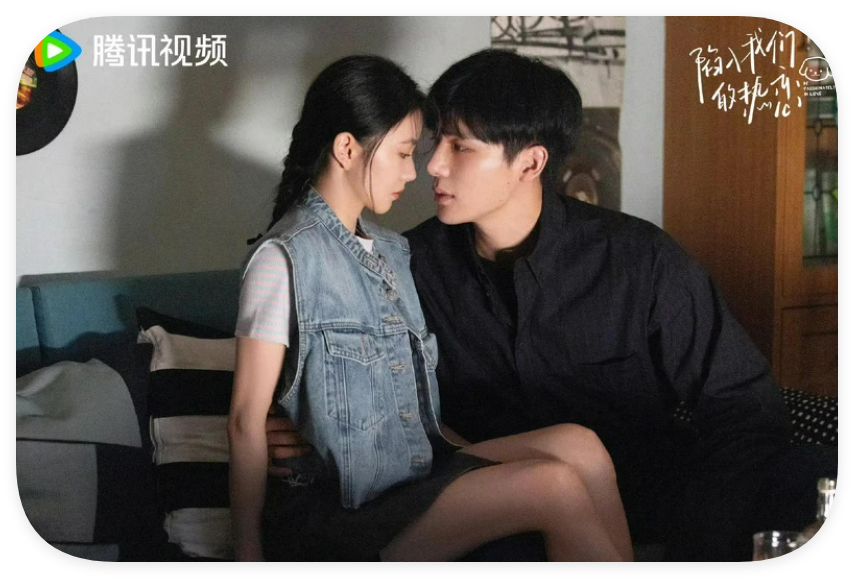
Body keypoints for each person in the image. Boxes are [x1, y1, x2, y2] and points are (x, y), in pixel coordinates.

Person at [265, 49, 838, 562]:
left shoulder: (637, 260)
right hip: (501, 502)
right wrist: (298, 424)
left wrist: (699, 544)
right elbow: (341, 370)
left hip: (647, 496)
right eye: (436, 143)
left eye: (460, 146)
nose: (434, 164)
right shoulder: (407, 264)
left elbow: (743, 406)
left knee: (807, 474)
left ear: (531, 163)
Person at [228, 54, 633, 563]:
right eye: (403, 153)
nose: (416, 170)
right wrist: (248, 550)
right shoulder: (282, 259)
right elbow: (244, 421)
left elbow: (409, 405)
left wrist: (473, 463)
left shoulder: (395, 252)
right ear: (347, 149)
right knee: (553, 485)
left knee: (580, 447)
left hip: (410, 473)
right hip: (343, 512)